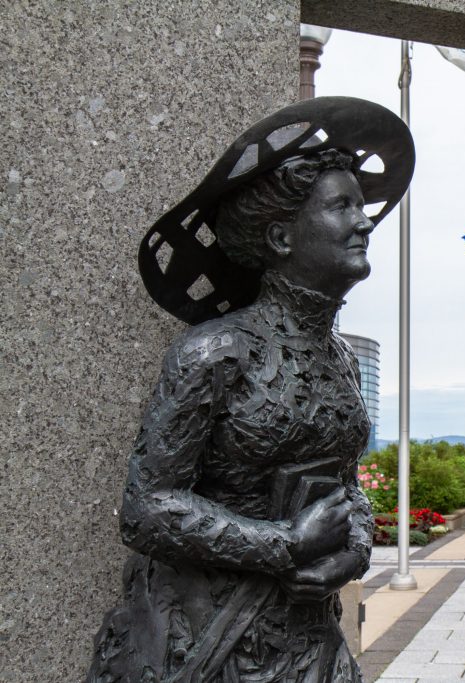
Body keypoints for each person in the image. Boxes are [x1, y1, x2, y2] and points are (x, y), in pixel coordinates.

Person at [87, 97, 414, 682]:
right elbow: (145, 508)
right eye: (342, 207)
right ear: (282, 237)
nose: (364, 222)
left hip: (311, 641)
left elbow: (346, 488)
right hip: (208, 643)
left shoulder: (339, 358)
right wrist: (284, 542)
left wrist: (354, 549)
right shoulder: (215, 352)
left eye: (361, 207)